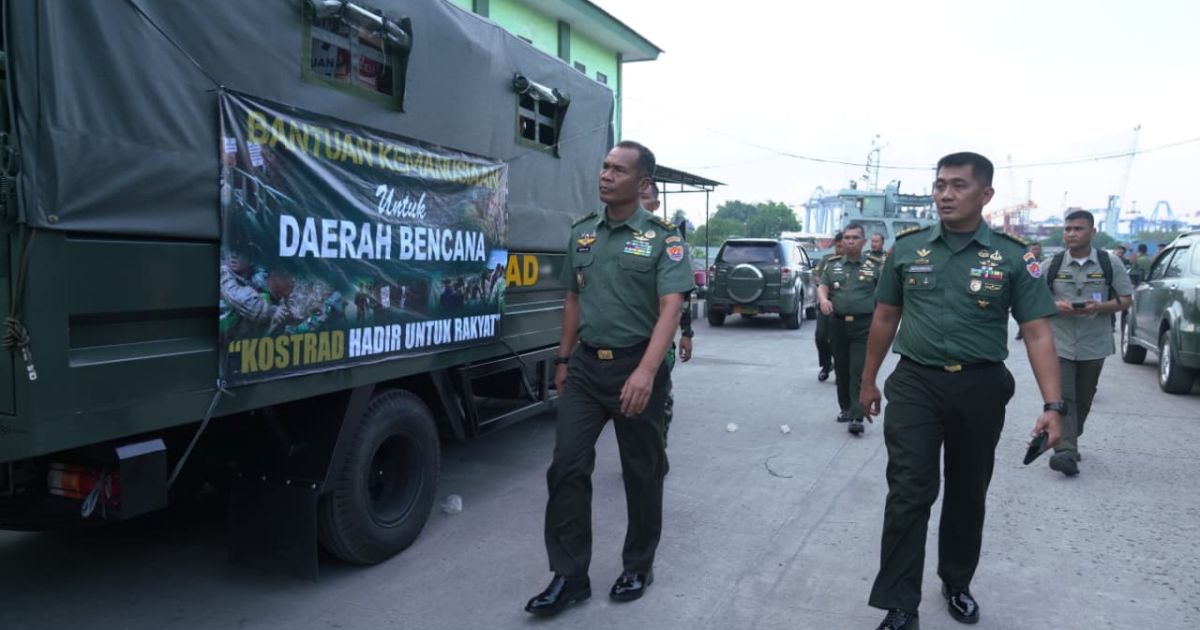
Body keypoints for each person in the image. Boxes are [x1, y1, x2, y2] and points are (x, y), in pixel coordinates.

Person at [858, 152, 1064, 630]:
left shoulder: (1014, 256)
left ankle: (956, 581)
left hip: (980, 386)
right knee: (909, 490)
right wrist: (867, 381)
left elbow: (1037, 332)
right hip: (916, 383)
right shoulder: (907, 248)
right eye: (939, 185)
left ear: (985, 195)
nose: (945, 195)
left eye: (958, 186)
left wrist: (1054, 405)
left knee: (968, 491)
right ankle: (900, 604)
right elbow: (885, 317)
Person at [526, 141, 694, 617]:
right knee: (566, 466)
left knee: (642, 472)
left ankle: (638, 565)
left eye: (618, 170)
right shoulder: (583, 234)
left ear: (643, 184)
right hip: (585, 367)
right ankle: (569, 576)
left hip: (636, 366)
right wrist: (562, 360)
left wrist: (646, 372)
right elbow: (573, 300)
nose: (605, 175)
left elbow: (671, 308)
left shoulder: (663, 239)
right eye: (604, 167)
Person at [1044, 210, 1133, 476]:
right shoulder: (1052, 264)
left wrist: (1100, 306)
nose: (1071, 234)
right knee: (1064, 397)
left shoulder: (1110, 263)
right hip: (1059, 343)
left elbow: (1126, 299)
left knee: (1084, 398)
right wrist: (1056, 306)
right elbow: (1034, 298)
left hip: (1094, 343)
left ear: (1092, 232)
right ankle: (1066, 452)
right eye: (1068, 229)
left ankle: (1070, 436)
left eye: (1078, 229)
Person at [639, 182, 695, 456]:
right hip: (623, 340)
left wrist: (687, 333)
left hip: (657, 339)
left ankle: (657, 454)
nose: (638, 202)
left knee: (658, 399)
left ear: (655, 204)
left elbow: (681, 297)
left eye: (644, 197)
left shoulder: (668, 241)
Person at [818, 223, 883, 434]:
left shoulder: (875, 266)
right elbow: (823, 286)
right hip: (837, 324)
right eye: (847, 238)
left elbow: (884, 294)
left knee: (858, 370)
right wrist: (823, 299)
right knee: (842, 368)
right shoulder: (833, 265)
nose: (850, 241)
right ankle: (845, 408)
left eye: (855, 238)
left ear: (863, 241)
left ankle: (857, 415)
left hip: (863, 325)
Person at [813, 232, 844, 383]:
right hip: (826, 303)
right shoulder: (827, 260)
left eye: (842, 246)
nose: (840, 249)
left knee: (839, 340)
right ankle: (826, 365)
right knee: (821, 336)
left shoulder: (854, 262)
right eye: (838, 246)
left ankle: (840, 370)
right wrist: (823, 288)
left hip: (844, 305)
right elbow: (816, 275)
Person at [1014, 242, 1043, 340]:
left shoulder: (1044, 262)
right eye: (1033, 249)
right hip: (1026, 291)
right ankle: (1022, 330)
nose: (1035, 251)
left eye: (1037, 249)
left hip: (1039, 291)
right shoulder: (1023, 261)